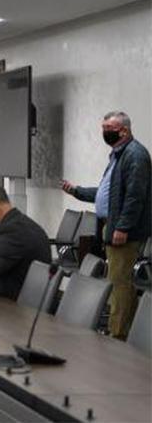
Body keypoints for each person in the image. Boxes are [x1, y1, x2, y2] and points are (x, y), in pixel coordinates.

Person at [60, 111, 150, 339]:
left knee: (118, 283)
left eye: (109, 128)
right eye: (103, 127)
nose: (104, 132)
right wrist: (77, 191)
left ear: (124, 130)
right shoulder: (117, 156)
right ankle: (125, 333)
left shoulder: (135, 155)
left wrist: (123, 227)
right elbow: (107, 194)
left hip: (123, 230)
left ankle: (117, 336)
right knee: (120, 281)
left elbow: (135, 196)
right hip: (111, 226)